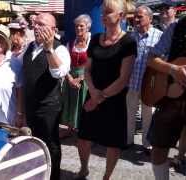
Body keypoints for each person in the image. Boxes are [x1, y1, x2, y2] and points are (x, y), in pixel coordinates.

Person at [76, 0, 136, 179]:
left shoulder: (128, 41)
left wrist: (97, 99)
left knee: (112, 143)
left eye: (108, 12)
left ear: (121, 16)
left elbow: (123, 79)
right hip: (93, 93)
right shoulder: (95, 39)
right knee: (83, 138)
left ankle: (107, 176)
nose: (103, 15)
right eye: (102, 12)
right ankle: (84, 168)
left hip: (114, 99)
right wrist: (93, 92)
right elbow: (87, 70)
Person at [21, 13, 71, 180]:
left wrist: (49, 49)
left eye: (41, 24)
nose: (36, 27)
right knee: (33, 142)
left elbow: (59, 73)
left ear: (53, 29)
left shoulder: (60, 48)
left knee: (50, 144)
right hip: (31, 104)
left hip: (48, 106)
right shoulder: (28, 48)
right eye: (35, 24)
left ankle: (53, 176)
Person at [147, 15, 186, 180]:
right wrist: (172, 70)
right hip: (171, 98)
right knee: (158, 149)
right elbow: (151, 58)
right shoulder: (176, 27)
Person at [126, 5, 162, 152]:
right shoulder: (130, 37)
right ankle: (128, 141)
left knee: (148, 115)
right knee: (129, 113)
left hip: (150, 85)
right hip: (132, 82)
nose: (136, 19)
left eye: (139, 16)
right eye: (135, 16)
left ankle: (147, 144)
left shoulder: (159, 36)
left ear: (150, 18)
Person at [60, 14, 91, 138]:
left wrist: (81, 78)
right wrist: (70, 78)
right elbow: (64, 63)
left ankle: (85, 130)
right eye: (77, 26)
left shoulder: (92, 42)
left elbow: (94, 64)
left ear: (87, 27)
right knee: (70, 102)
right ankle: (70, 127)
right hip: (71, 77)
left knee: (84, 104)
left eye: (81, 26)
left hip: (86, 77)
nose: (78, 28)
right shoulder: (71, 43)